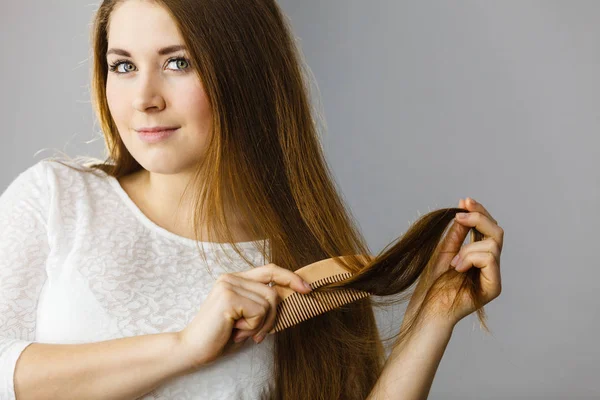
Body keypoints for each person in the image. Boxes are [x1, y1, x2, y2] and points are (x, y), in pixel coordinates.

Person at [0, 1, 504, 399]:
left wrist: (431, 319)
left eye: (178, 62)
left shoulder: (302, 262)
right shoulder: (56, 200)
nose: (144, 98)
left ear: (244, 74)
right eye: (123, 65)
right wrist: (183, 349)